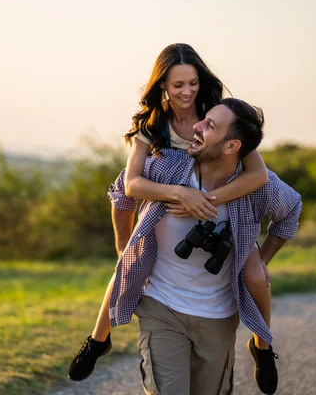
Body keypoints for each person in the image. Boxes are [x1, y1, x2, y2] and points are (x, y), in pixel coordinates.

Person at [68, 44, 279, 393]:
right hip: (166, 205)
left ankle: (263, 346)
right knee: (126, 261)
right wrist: (181, 195)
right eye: (178, 85)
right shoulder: (154, 126)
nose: (187, 92)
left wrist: (206, 200)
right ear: (162, 85)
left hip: (225, 208)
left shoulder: (219, 119)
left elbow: (258, 176)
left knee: (255, 273)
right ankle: (97, 340)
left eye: (193, 83)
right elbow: (132, 183)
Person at [113, 98, 301, 394]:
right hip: (161, 307)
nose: (196, 126)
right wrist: (124, 248)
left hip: (218, 315)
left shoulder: (257, 189)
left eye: (209, 125)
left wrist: (260, 260)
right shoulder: (169, 169)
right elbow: (122, 188)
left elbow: (291, 210)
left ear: (231, 147)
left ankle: (262, 347)